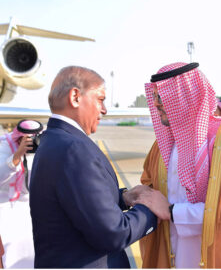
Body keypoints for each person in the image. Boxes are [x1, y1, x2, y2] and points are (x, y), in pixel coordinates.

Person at [29, 66, 169, 268]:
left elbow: (75, 201)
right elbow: (113, 234)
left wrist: (123, 198)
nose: (104, 109)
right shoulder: (73, 149)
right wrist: (151, 209)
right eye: (100, 99)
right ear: (75, 97)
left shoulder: (53, 140)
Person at [136, 62, 221, 268]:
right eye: (155, 96)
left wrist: (173, 212)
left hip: (212, 257)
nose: (156, 104)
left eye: (161, 96)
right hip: (169, 255)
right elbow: (150, 189)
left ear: (183, 97)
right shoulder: (162, 146)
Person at [0, 119, 43, 268]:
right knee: (11, 256)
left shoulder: (40, 147)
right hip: (7, 211)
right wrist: (17, 155)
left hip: (31, 211)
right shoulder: (5, 145)